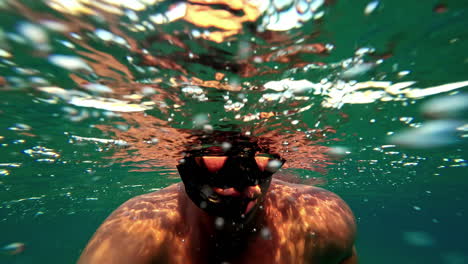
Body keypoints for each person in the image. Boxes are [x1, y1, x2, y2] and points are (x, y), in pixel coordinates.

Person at [78, 134, 357, 264]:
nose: (250, 191)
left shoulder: (319, 221)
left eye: (260, 173)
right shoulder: (136, 234)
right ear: (186, 172)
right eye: (222, 178)